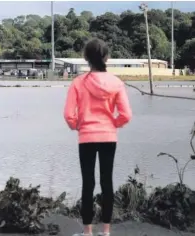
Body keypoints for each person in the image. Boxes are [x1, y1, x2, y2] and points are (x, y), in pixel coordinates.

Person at [63, 38, 132, 236]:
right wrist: (112, 124)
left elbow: (69, 114)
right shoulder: (117, 83)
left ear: (86, 58)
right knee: (107, 182)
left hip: (86, 137)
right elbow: (126, 114)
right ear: (106, 58)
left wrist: (78, 125)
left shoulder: (78, 83)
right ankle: (106, 232)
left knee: (88, 183)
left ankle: (87, 233)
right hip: (109, 137)